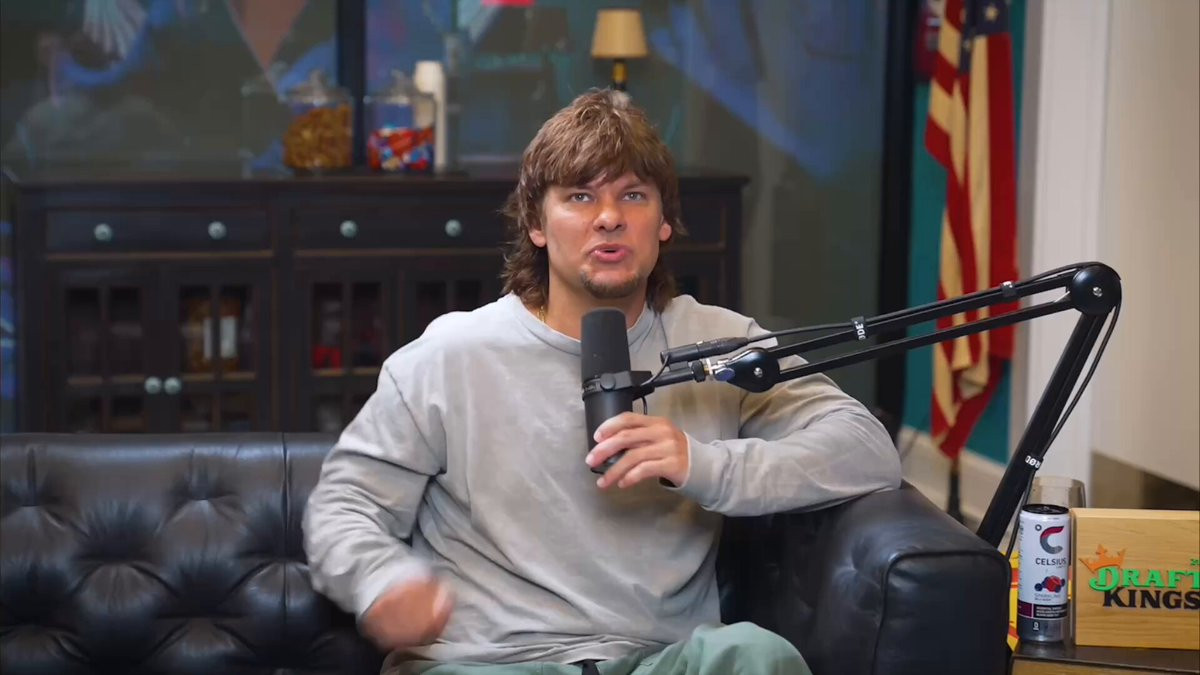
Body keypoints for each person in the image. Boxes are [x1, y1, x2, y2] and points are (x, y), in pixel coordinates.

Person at [303, 89, 902, 675]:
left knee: (757, 654)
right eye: (580, 196)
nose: (610, 218)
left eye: (633, 195)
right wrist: (384, 583)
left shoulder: (719, 342)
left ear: (663, 223)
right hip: (491, 662)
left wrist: (702, 463)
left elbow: (866, 448)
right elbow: (342, 505)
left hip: (659, 660)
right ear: (537, 224)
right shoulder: (450, 354)